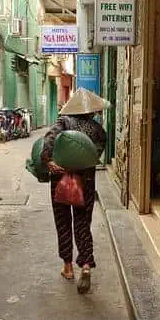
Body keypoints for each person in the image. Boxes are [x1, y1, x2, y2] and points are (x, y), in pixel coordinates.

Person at [41, 88, 109, 294]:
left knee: (63, 223)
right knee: (82, 223)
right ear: (91, 111)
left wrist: (49, 161)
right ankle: (86, 265)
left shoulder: (63, 123)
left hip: (61, 178)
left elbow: (48, 142)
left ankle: (68, 267)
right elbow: (95, 155)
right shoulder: (99, 131)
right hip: (85, 182)